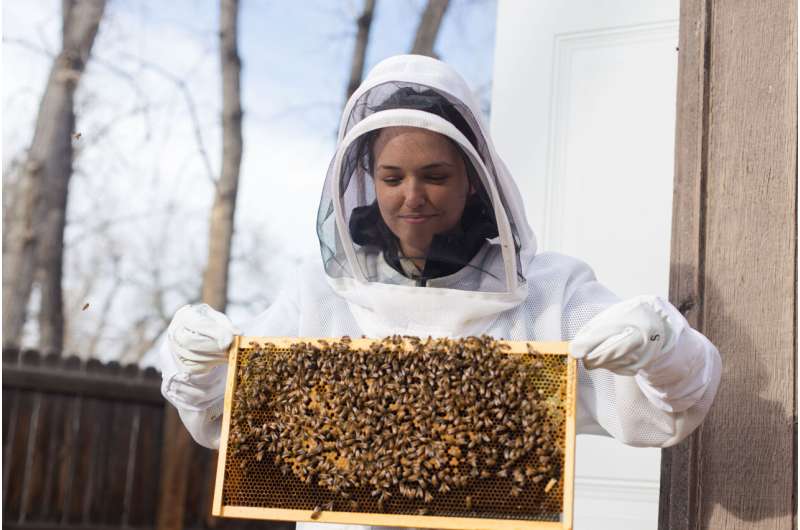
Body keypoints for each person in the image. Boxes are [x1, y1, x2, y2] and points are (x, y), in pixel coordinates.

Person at [160, 54, 721, 529]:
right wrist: (195, 361)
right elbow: (223, 417)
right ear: (366, 177)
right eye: (392, 177)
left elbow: (667, 409)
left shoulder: (548, 295)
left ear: (473, 175)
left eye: (435, 175)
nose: (412, 196)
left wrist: (661, 346)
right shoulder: (321, 295)